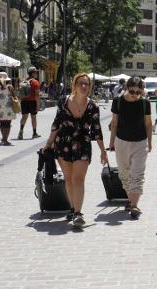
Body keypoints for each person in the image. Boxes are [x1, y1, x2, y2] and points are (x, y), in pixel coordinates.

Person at [42, 73, 107, 228]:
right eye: (81, 83)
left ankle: (78, 213)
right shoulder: (63, 101)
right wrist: (48, 143)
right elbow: (56, 123)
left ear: (90, 87)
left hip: (82, 143)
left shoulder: (93, 107)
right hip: (63, 143)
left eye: (86, 84)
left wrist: (103, 151)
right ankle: (72, 208)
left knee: (78, 179)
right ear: (75, 86)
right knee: (69, 179)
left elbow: (97, 130)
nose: (84, 86)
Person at [109, 77, 153, 219]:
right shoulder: (118, 101)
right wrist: (111, 142)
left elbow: (148, 124)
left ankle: (134, 205)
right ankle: (131, 200)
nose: (135, 94)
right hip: (121, 141)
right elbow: (114, 123)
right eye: (132, 91)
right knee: (124, 174)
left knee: (137, 174)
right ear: (127, 88)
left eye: (138, 92)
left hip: (140, 142)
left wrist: (150, 142)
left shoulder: (145, 103)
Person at [18, 66, 41, 140]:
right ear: (33, 73)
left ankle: (21, 131)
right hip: (32, 102)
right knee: (33, 118)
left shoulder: (24, 81)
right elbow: (37, 95)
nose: (37, 74)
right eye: (36, 72)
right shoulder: (35, 82)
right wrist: (38, 104)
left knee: (24, 117)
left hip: (24, 101)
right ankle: (34, 133)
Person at [0, 73, 17, 146]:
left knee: (2, 123)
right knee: (7, 124)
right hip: (8, 108)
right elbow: (14, 95)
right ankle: (5, 139)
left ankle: (3, 138)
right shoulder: (10, 87)